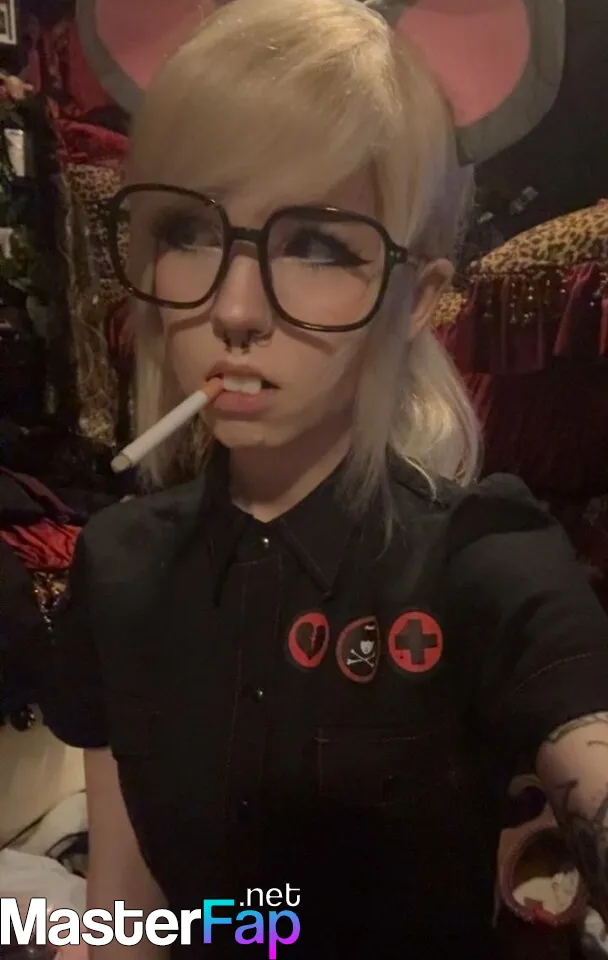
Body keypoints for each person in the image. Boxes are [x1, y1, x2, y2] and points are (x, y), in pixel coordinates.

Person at [40, 0, 608, 957]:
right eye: (189, 228)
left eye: (316, 244)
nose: (235, 308)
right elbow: (123, 914)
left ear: (416, 298)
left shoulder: (483, 560)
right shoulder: (121, 563)